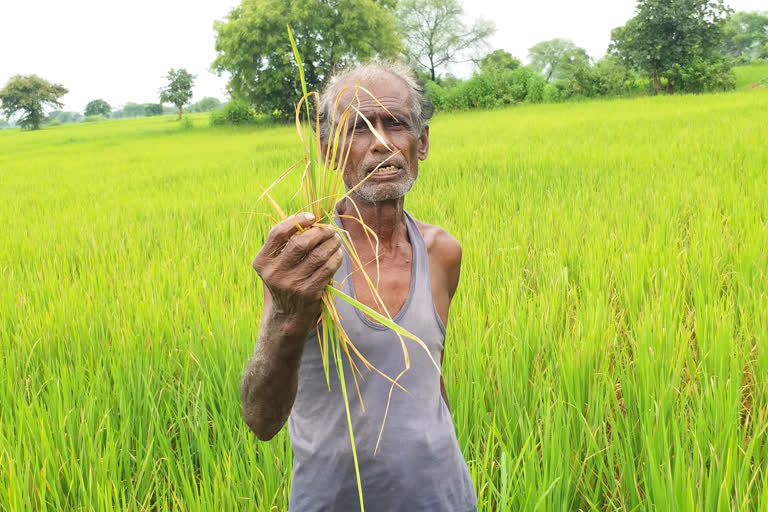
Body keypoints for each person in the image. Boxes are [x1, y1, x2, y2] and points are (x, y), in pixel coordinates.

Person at [241, 61, 477, 512]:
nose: (381, 144)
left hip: (442, 496)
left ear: (421, 142)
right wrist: (289, 318)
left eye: (396, 124)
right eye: (358, 129)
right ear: (329, 152)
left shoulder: (442, 252)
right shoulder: (304, 261)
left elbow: (429, 377)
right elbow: (261, 420)